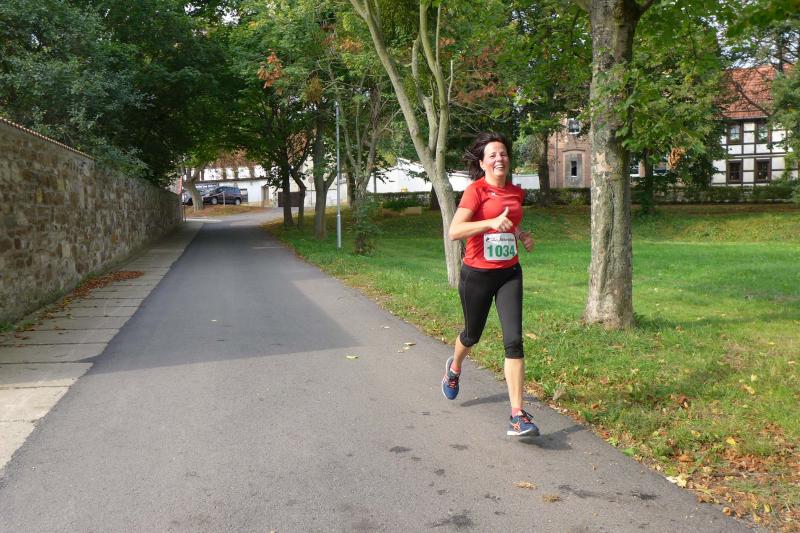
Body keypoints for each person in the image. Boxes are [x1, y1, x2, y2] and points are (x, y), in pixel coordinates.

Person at [442, 131, 539, 437]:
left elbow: (509, 220)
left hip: (509, 273)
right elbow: (455, 231)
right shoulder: (475, 191)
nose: (500, 158)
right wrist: (489, 223)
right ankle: (454, 368)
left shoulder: (515, 192)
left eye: (503, 153)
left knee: (514, 341)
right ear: (482, 163)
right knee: (472, 335)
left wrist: (520, 234)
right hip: (477, 275)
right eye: (493, 155)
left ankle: (517, 416)